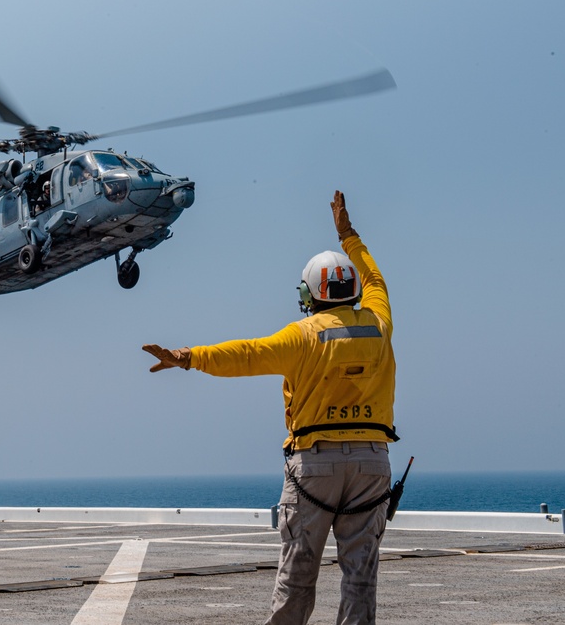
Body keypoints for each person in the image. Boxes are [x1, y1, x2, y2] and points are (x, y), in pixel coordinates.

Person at [143, 190, 397, 625]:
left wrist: (188, 356)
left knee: (297, 575)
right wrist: (348, 235)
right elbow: (375, 278)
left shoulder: (303, 335)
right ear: (351, 290)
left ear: (311, 293)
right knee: (360, 578)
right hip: (372, 463)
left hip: (315, 465)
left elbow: (245, 354)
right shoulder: (379, 322)